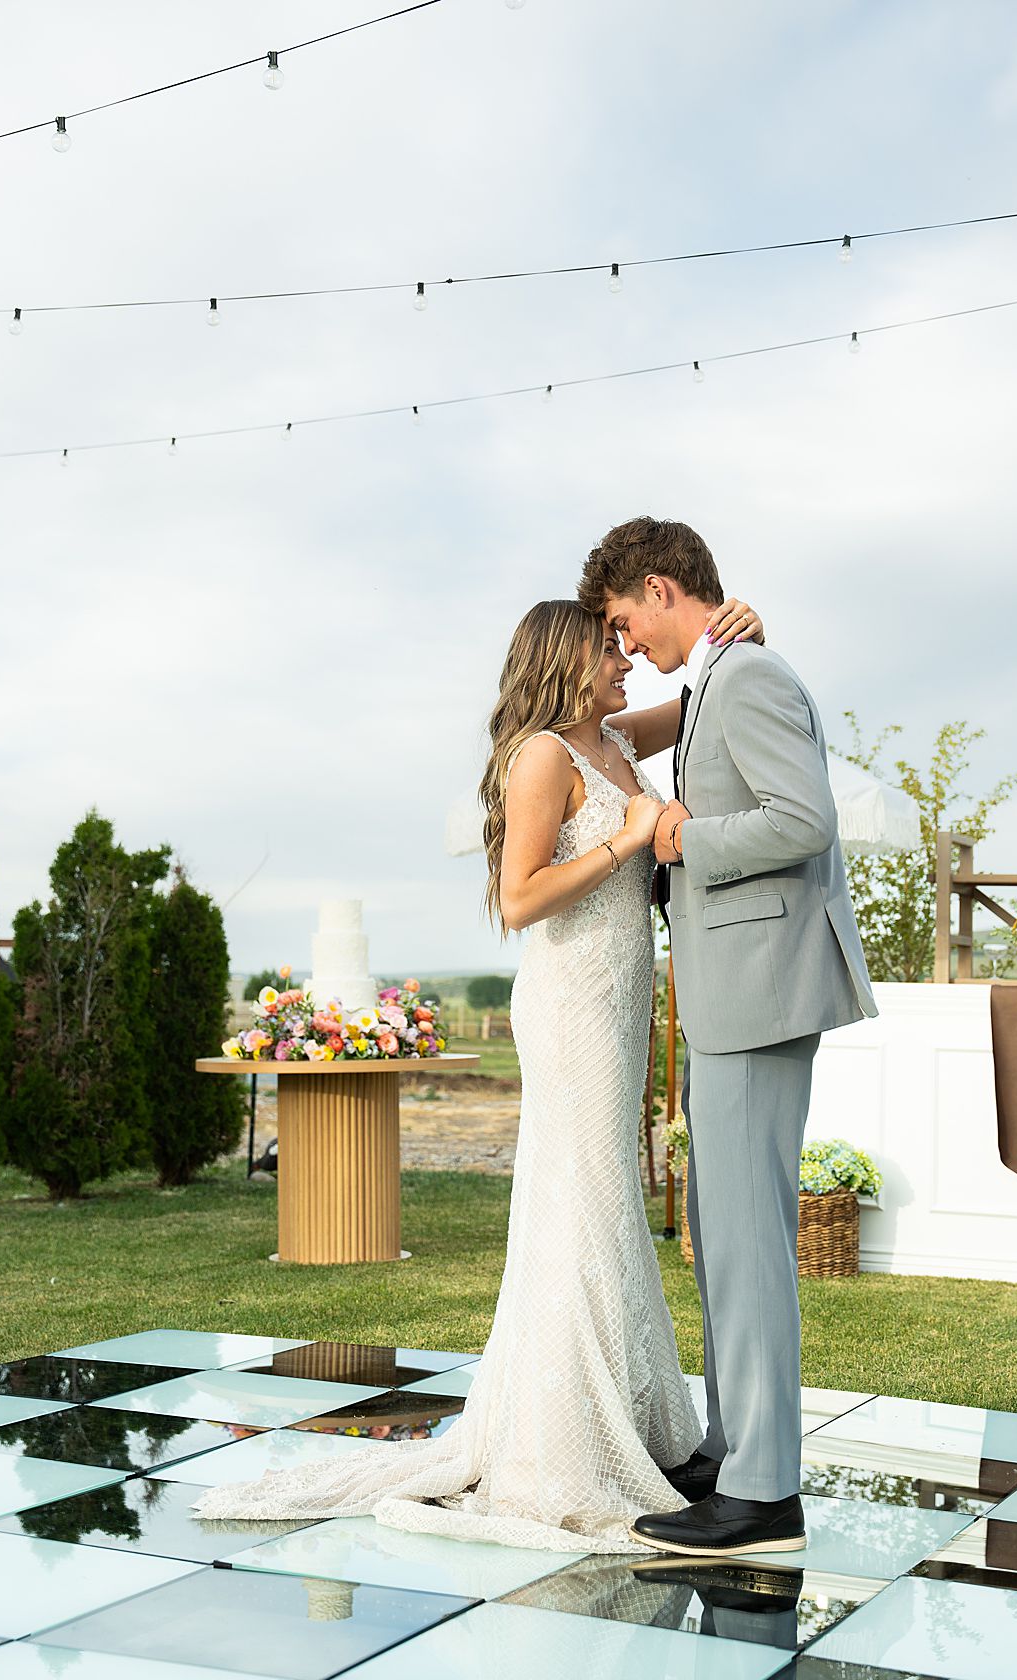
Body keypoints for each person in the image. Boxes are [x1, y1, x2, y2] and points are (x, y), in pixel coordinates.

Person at [191, 589, 766, 1553]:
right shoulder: (543, 753)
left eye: (628, 643)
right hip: (571, 1002)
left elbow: (705, 701)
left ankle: (630, 1418)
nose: (627, 658)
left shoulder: (614, 744)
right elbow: (521, 897)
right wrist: (629, 836)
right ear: (565, 657)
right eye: (611, 648)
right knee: (577, 1203)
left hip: (620, 1002)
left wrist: (729, 639)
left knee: (603, 1201)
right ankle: (561, 1441)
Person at [578, 515, 875, 1557]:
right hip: (732, 995)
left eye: (625, 624)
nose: (626, 648)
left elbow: (804, 822)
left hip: (759, 992)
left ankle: (763, 1493)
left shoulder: (745, 676)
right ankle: (731, 1445)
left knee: (750, 1249)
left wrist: (678, 837)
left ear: (663, 590)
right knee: (726, 1243)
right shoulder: (715, 676)